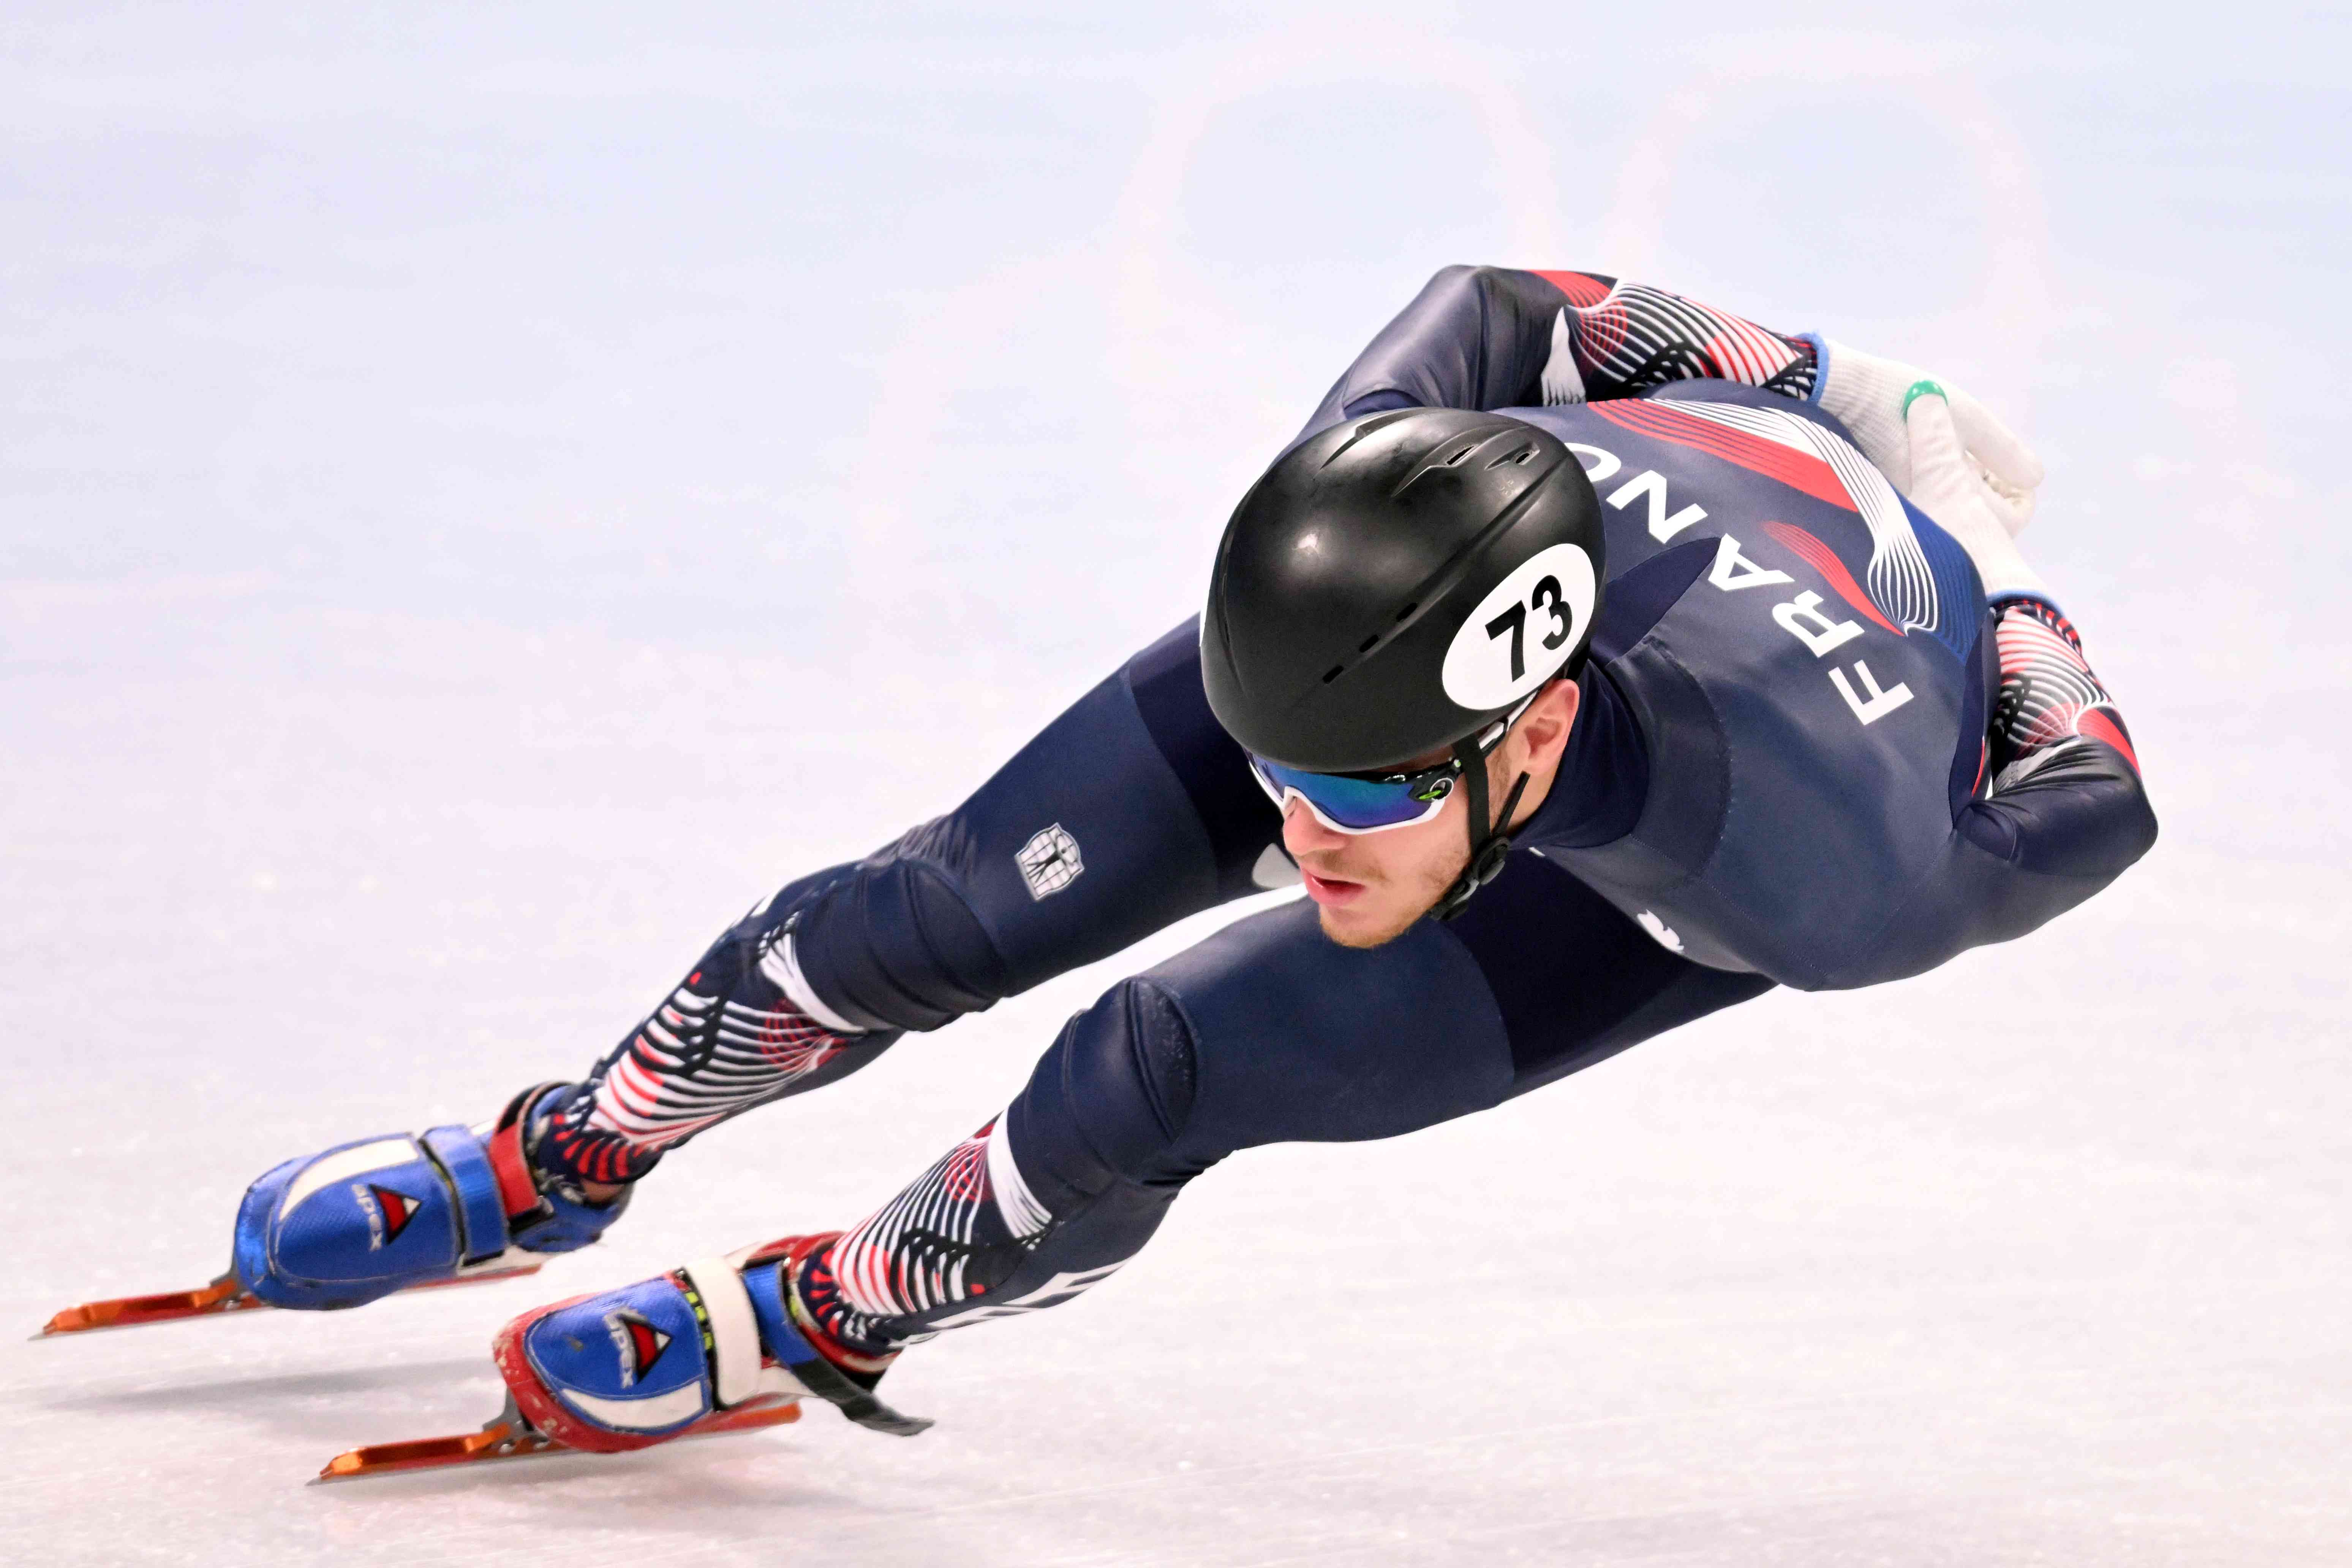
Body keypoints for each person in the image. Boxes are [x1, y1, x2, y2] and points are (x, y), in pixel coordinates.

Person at [228, 267, 2155, 1449]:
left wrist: (2003, 574)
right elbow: (1509, 306)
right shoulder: (1374, 481)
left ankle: (824, 1318)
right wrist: (1825, 368)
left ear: (1529, 736)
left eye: (1358, 802)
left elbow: (2089, 800)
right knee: (939, 908)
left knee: (1145, 1076)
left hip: (1691, 823)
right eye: (1277, 775)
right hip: (1504, 604)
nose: (1299, 838)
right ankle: (574, 1151)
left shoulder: (1829, 867)